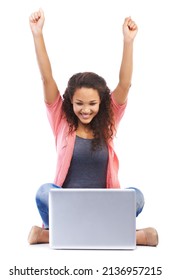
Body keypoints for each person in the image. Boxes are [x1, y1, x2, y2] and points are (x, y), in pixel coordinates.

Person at [28, 9, 158, 246]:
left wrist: (128, 42)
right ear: (70, 102)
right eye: (79, 104)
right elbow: (47, 79)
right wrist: (38, 34)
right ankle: (125, 235)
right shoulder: (61, 121)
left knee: (136, 196)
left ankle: (52, 236)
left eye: (92, 104)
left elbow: (125, 84)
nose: (85, 110)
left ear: (102, 104)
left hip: (104, 205)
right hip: (66, 207)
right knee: (43, 192)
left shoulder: (108, 123)